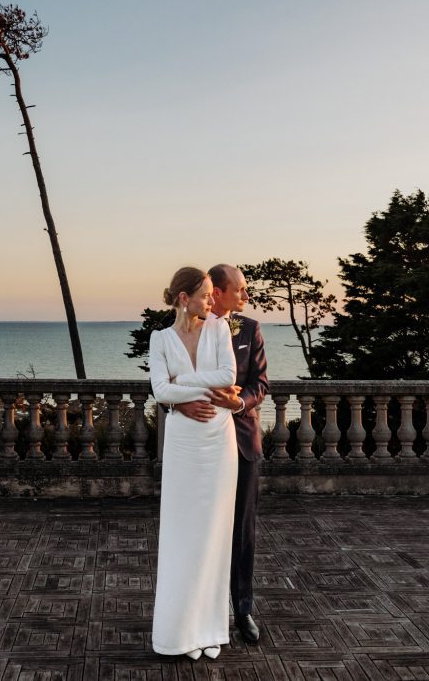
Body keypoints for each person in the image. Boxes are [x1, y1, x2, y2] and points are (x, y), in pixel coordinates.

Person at [149, 267, 242, 661]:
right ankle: (179, 632)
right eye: (204, 295)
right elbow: (159, 389)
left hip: (218, 439)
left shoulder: (220, 329)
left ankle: (209, 629)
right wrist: (183, 397)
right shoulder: (160, 339)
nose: (211, 301)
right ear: (184, 298)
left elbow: (229, 374)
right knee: (181, 533)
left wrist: (180, 389)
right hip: (183, 442)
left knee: (215, 535)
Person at [174, 263, 268, 645]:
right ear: (220, 291)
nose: (246, 296)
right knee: (199, 529)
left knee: (241, 530)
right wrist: (177, 407)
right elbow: (169, 381)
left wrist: (239, 402)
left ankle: (242, 609)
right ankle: (196, 613)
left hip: (241, 441)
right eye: (241, 289)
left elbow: (260, 383)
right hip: (197, 443)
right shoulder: (189, 328)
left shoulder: (249, 330)